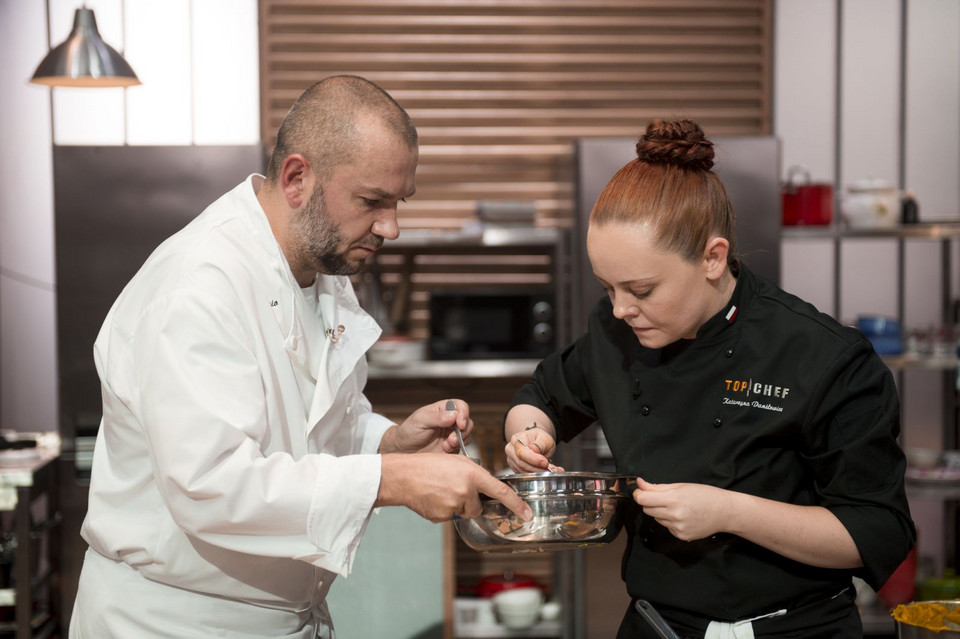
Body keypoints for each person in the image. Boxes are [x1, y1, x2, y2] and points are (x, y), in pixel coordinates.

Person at [69, 75, 532, 639]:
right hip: (174, 623)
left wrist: (385, 441)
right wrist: (394, 479)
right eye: (372, 201)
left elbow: (311, 423)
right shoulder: (198, 286)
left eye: (398, 202)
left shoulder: (321, 267)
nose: (392, 226)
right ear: (297, 178)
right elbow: (213, 485)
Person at [502, 120, 915, 637]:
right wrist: (527, 436)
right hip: (658, 624)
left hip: (797, 629)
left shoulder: (822, 355)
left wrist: (728, 512)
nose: (622, 309)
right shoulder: (615, 331)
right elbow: (540, 396)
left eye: (642, 289)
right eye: (608, 287)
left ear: (713, 258)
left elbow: (877, 531)